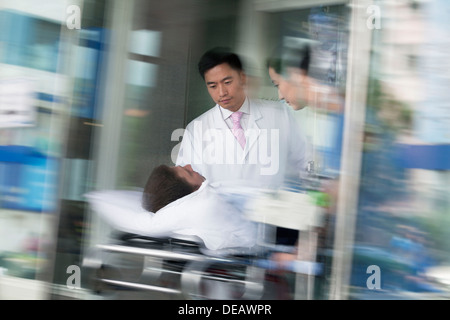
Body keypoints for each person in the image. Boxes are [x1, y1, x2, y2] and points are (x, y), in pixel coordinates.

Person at [175, 47, 311, 190]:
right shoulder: (195, 130)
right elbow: (186, 185)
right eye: (213, 86)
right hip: (218, 211)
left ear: (242, 77)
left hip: (271, 210)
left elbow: (304, 164)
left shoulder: (280, 115)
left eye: (227, 82)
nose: (222, 92)